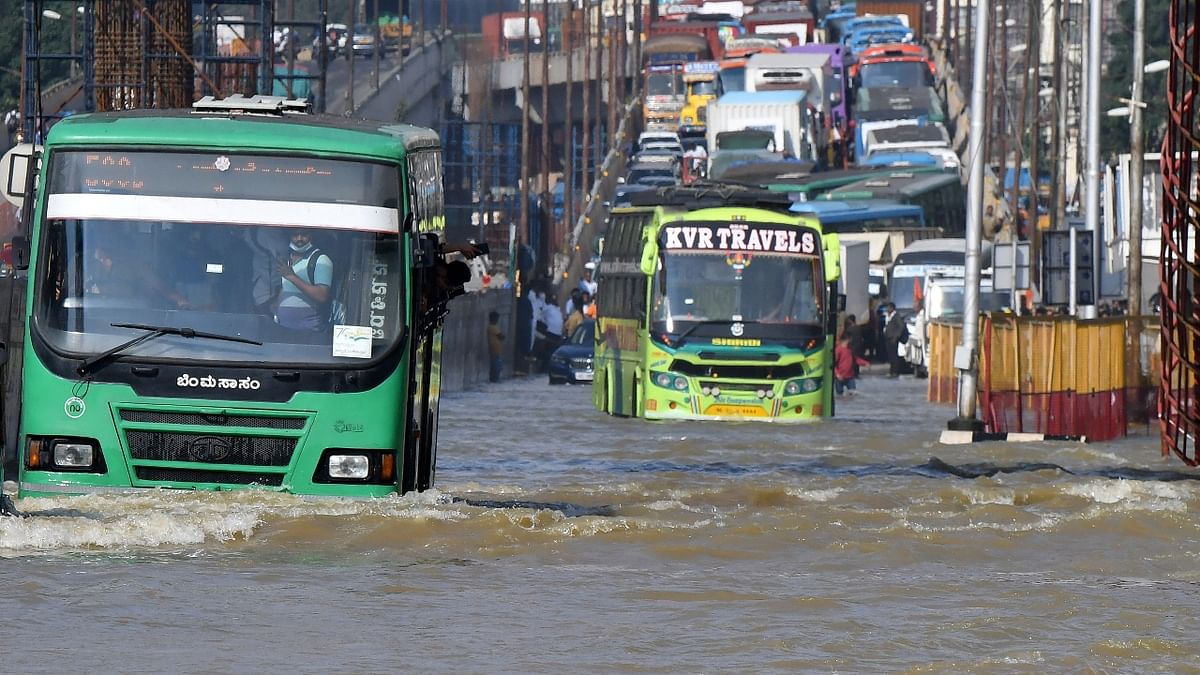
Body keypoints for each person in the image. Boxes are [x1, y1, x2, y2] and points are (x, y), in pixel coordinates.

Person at [87, 240, 189, 309]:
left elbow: (159, 286)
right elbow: (73, 291)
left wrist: (180, 300)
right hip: (91, 323)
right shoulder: (83, 263)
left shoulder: (135, 264)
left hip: (132, 324)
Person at [274, 228, 333, 330]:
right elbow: (286, 287)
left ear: (312, 235)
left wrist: (292, 277)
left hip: (308, 332)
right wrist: (276, 307)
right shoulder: (287, 259)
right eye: (295, 234)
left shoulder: (321, 260)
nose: (299, 238)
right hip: (283, 329)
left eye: (304, 234)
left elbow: (322, 295)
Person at [881, 302, 908, 378]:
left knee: (894, 356)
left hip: (893, 339)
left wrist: (895, 336)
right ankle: (891, 371)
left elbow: (901, 326)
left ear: (892, 308)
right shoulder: (889, 316)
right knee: (890, 356)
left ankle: (895, 371)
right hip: (888, 338)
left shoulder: (896, 316)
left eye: (888, 308)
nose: (887, 309)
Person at [540, 292, 564, 370]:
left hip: (558, 333)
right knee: (549, 352)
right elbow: (541, 316)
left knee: (554, 352)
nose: (554, 300)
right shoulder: (548, 308)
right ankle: (545, 367)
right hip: (550, 332)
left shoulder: (557, 308)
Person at [487, 311, 505, 383]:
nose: (497, 320)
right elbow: (501, 336)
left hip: (495, 349)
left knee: (495, 365)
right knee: (496, 366)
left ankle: (493, 379)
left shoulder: (492, 327)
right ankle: (494, 379)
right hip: (494, 349)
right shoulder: (493, 327)